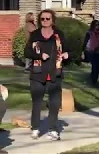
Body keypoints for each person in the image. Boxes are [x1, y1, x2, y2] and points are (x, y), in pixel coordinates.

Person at [24, 9, 70, 140]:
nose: (45, 21)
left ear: (52, 20)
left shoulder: (58, 35)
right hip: (38, 74)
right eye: (42, 19)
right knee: (37, 102)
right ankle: (35, 128)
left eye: (47, 19)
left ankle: (53, 129)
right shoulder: (35, 35)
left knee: (55, 103)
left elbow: (68, 50)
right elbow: (27, 52)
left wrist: (67, 54)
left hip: (55, 73)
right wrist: (39, 55)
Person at [81, 20, 99, 85]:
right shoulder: (89, 33)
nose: (97, 26)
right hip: (91, 51)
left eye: (98, 25)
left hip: (98, 51)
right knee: (94, 66)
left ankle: (94, 79)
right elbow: (85, 42)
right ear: (93, 25)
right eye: (96, 25)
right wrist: (82, 51)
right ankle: (93, 80)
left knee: (98, 66)